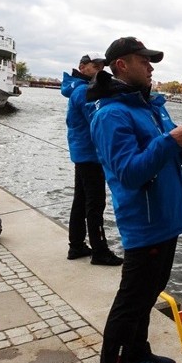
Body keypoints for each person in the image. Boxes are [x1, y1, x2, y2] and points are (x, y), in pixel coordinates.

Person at [87, 36, 182, 363]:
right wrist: (167, 142)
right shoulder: (110, 115)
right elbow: (130, 173)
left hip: (166, 219)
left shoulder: (150, 106)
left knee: (150, 292)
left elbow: (169, 156)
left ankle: (136, 355)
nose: (151, 67)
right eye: (144, 60)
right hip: (145, 224)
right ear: (121, 65)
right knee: (130, 304)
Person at [60, 54, 122, 266]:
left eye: (101, 67)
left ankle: (76, 245)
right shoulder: (83, 91)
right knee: (95, 203)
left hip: (83, 154)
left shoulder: (78, 88)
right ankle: (100, 251)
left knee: (80, 201)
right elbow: (98, 120)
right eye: (94, 66)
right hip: (91, 156)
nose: (98, 71)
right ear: (82, 67)